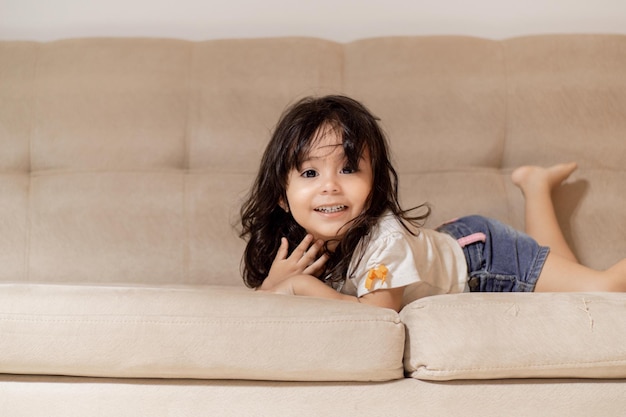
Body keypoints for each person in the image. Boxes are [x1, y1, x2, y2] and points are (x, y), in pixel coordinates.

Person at [239, 95, 626, 312]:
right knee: (568, 275)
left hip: (484, 260)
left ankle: (536, 187)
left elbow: (377, 316)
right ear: (281, 196)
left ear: (374, 186)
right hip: (451, 242)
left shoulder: (383, 238)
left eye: (349, 169)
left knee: (602, 289)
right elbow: (265, 301)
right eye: (310, 174)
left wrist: (298, 287)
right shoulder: (291, 247)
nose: (330, 188)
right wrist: (276, 282)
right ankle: (536, 186)